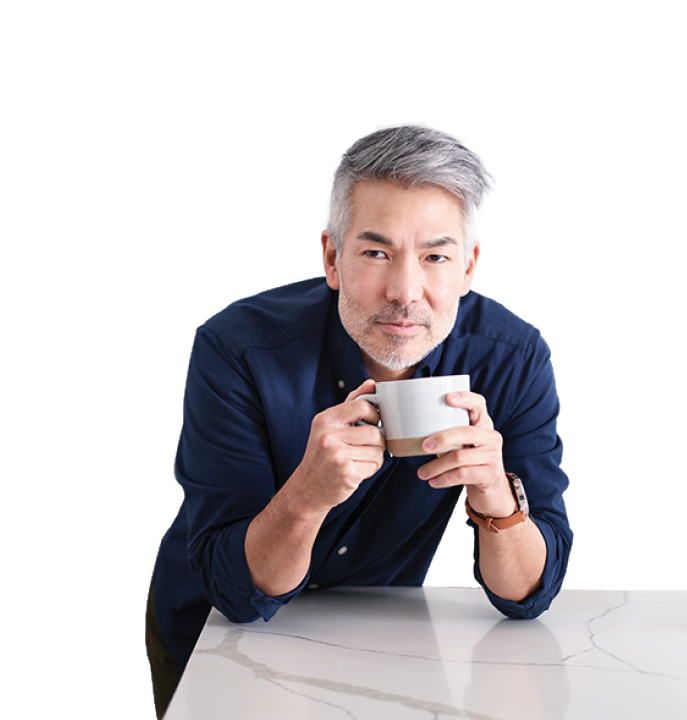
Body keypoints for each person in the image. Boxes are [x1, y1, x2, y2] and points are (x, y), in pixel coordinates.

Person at [146, 125, 572, 717]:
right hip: (214, 636)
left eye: (435, 257)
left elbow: (528, 595)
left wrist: (497, 498)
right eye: (376, 252)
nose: (405, 291)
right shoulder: (238, 348)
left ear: (469, 266)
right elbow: (235, 593)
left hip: (380, 644)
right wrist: (305, 497)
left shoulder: (511, 357)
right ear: (332, 257)